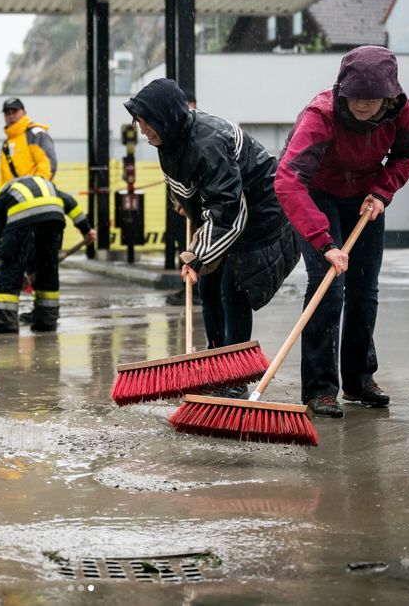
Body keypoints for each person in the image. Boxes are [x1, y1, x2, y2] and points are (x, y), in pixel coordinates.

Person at [125, 78, 300, 398]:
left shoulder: (208, 143)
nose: (142, 131)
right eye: (140, 123)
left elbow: (228, 211)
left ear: (165, 117)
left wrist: (198, 255)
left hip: (262, 213)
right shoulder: (169, 139)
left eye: (147, 123)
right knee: (207, 284)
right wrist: (182, 204)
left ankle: (235, 375)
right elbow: (181, 183)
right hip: (226, 212)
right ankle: (215, 364)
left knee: (233, 287)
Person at [274, 45, 409, 418]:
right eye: (355, 97)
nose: (362, 105)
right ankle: (320, 389)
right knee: (329, 287)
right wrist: (324, 242)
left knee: (364, 290)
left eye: (372, 99)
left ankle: (358, 379)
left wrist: (382, 190)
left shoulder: (400, 112)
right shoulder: (321, 115)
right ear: (343, 89)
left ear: (388, 95)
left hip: (365, 199)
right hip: (318, 195)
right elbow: (289, 181)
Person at [0, 175, 95, 334]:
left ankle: (6, 323)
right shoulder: (40, 184)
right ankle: (46, 320)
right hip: (53, 217)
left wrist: (16, 272)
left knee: (10, 264)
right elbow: (70, 202)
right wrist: (86, 229)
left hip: (23, 215)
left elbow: (1, 243)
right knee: (47, 268)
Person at [166, 91, 201, 307]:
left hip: (200, 211)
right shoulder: (172, 140)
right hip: (183, 208)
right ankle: (188, 286)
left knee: (200, 248)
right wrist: (180, 204)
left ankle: (197, 289)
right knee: (185, 247)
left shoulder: (201, 137)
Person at [0, 97, 57, 182]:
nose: (11, 116)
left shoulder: (35, 134)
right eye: (7, 113)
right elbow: (4, 177)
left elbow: (48, 166)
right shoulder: (6, 144)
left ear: (24, 113)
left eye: (14, 112)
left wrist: (34, 188)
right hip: (14, 194)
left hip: (37, 193)